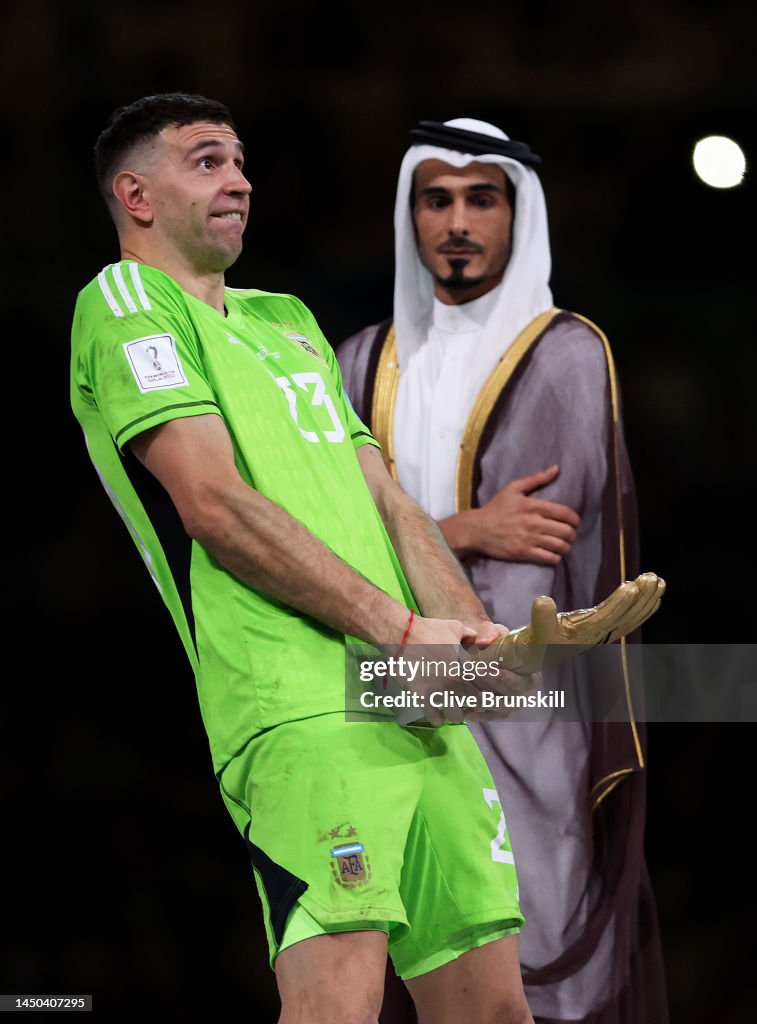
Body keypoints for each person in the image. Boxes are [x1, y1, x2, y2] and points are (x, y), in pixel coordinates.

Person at [70, 94, 540, 1024]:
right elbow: (213, 504)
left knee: (493, 1011)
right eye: (207, 161)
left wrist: (470, 642)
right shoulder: (125, 304)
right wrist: (399, 630)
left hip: (405, 696)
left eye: (240, 161)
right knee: (336, 1007)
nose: (239, 181)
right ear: (136, 195)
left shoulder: (286, 318)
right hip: (296, 705)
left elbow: (387, 502)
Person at [338, 118, 669, 1024]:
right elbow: (326, 544)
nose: (456, 222)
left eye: (480, 199)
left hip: (527, 700)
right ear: (409, 214)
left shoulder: (566, 352)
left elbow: (543, 551)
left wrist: (421, 537)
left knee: (535, 929)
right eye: (435, 199)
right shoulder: (355, 361)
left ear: (518, 214)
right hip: (390, 686)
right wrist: (467, 528)